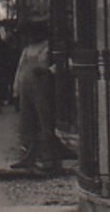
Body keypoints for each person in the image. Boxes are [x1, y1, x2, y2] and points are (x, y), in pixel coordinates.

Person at [11, 19, 67, 175]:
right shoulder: (28, 49)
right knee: (27, 122)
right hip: (27, 87)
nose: (28, 37)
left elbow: (60, 65)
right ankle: (28, 156)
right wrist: (16, 89)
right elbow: (20, 70)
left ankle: (49, 158)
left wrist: (48, 71)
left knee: (44, 121)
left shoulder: (48, 47)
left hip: (43, 86)